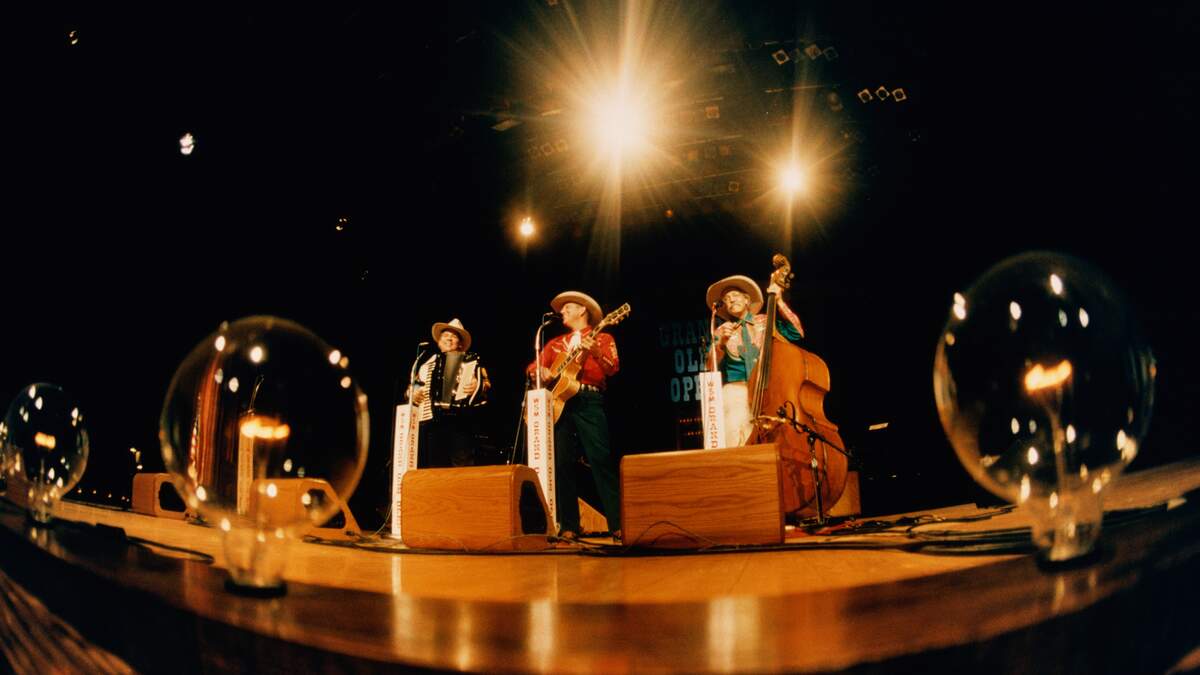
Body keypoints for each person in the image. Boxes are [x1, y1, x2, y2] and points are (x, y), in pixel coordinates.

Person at [528, 291, 621, 540]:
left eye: (567, 307)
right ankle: (569, 525)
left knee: (600, 459)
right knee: (562, 462)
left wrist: (597, 352)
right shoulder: (555, 343)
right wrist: (541, 371)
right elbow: (533, 367)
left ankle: (617, 523)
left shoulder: (602, 337)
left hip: (589, 399)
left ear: (582, 310)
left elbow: (613, 368)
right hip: (560, 402)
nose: (562, 312)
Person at [706, 275, 804, 448]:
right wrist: (720, 344)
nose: (730, 300)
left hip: (768, 389)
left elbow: (796, 333)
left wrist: (779, 301)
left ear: (746, 300)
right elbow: (710, 368)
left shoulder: (765, 321)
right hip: (738, 392)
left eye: (735, 295)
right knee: (737, 437)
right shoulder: (722, 330)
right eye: (726, 299)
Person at [411, 318, 490, 468]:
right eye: (445, 335)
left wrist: (477, 386)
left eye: (454, 336)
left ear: (460, 343)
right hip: (433, 421)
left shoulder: (470, 361)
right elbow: (413, 387)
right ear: (439, 342)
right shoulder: (427, 364)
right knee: (435, 467)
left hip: (461, 421)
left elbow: (486, 385)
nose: (449, 338)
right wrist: (413, 394)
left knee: (461, 466)